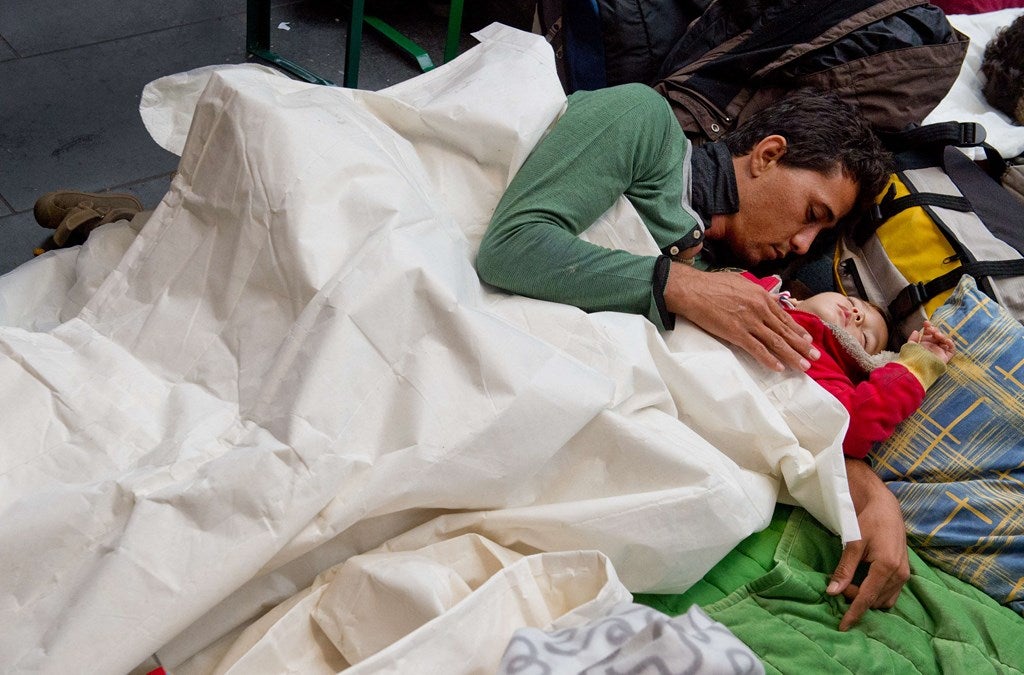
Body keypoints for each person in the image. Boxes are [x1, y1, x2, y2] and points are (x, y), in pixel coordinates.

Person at [475, 84, 908, 630]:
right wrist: (679, 286)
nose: (804, 244)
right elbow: (510, 247)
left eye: (821, 232)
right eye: (811, 213)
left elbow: (766, 400)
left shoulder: (729, 280)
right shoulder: (644, 121)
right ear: (768, 155)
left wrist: (868, 492)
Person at [746, 274, 956, 458]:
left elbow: (854, 423)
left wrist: (916, 365)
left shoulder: (828, 371)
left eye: (865, 337)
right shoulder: (756, 290)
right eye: (852, 300)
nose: (857, 314)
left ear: (860, 361)